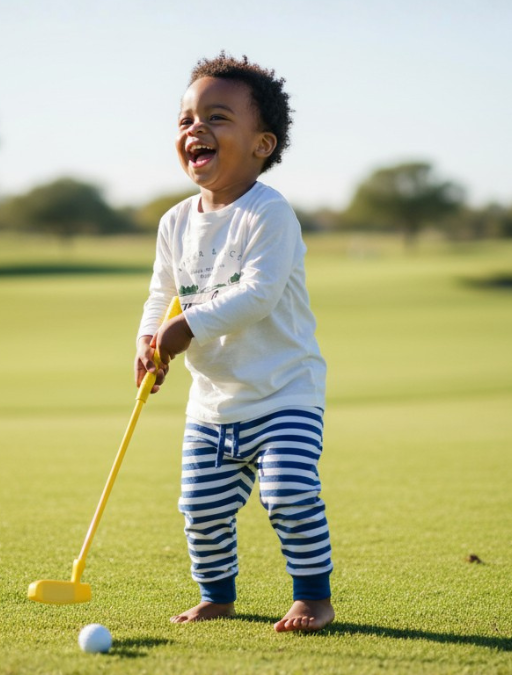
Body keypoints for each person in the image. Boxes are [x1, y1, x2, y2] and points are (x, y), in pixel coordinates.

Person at [134, 52, 333, 633]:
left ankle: (312, 597)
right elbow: (161, 292)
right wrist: (149, 339)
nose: (196, 128)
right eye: (186, 120)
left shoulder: (269, 214)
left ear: (261, 144)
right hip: (212, 401)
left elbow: (258, 295)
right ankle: (217, 594)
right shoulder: (175, 222)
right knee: (201, 509)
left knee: (290, 492)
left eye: (218, 118)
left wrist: (183, 329)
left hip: (284, 392)